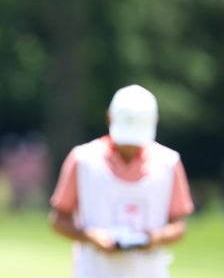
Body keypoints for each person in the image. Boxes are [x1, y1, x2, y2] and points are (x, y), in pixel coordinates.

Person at [48, 84, 194, 278]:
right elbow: (59, 219)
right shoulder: (82, 159)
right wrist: (90, 236)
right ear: (109, 117)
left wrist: (156, 238)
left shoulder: (169, 162)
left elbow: (179, 225)